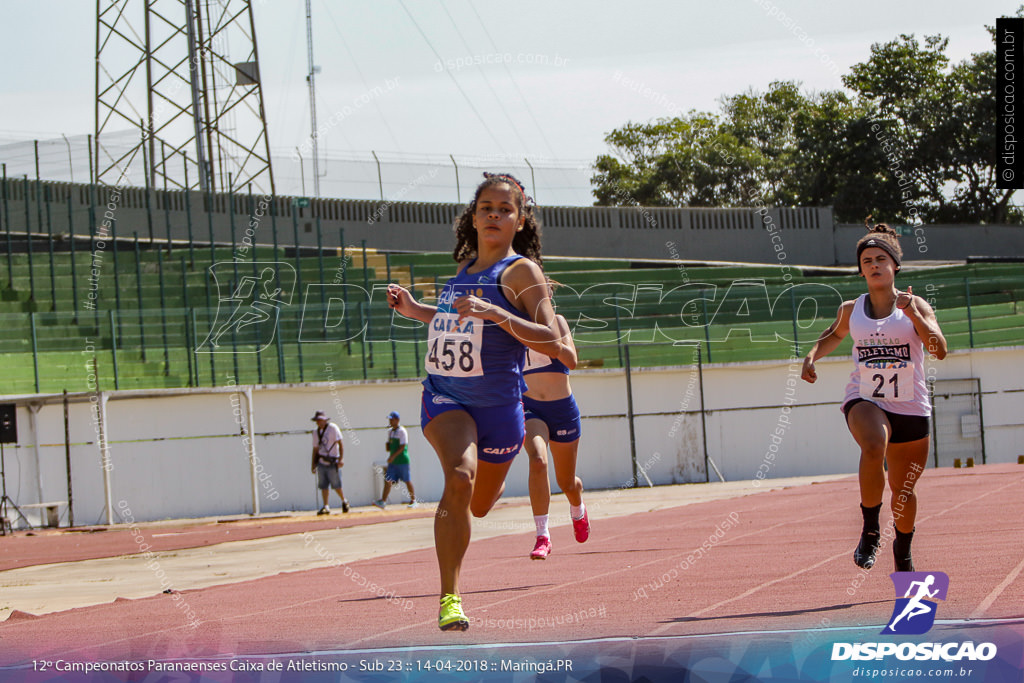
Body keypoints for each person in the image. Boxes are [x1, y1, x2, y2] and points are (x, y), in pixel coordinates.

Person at [387, 172, 561, 631]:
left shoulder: (521, 272)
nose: (494, 215)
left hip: (501, 410)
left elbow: (553, 341)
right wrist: (415, 311)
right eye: (486, 207)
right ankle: (450, 597)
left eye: (505, 209)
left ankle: (491, 484)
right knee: (460, 479)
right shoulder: (463, 269)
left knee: (480, 504)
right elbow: (453, 321)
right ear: (474, 215)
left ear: (520, 221)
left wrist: (498, 313)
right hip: (446, 395)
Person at [801, 221, 947, 572]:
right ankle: (870, 529)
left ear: (895, 265)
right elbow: (834, 335)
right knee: (873, 446)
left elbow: (938, 349)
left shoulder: (915, 306)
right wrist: (811, 356)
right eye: (867, 260)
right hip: (866, 398)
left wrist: (912, 312)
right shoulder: (852, 310)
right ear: (861, 269)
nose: (874, 265)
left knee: (903, 492)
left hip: (911, 405)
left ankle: (904, 548)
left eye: (881, 259)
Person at [521, 287, 589, 560]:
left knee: (566, 482)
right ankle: (542, 535)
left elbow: (572, 361)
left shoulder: (556, 322)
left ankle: (577, 506)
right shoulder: (513, 325)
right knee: (538, 461)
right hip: (529, 407)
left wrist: (546, 340)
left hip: (561, 409)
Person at [373, 411, 417, 508]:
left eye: (392, 419)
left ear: (397, 420)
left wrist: (392, 456)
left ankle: (413, 500)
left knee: (407, 480)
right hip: (393, 462)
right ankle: (383, 501)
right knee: (388, 480)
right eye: (390, 419)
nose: (390, 421)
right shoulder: (390, 432)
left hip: (402, 460)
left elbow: (402, 447)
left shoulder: (402, 431)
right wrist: (389, 446)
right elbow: (389, 446)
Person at [310, 410, 349, 514]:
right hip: (322, 461)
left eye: (320, 420)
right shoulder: (315, 432)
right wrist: (313, 464)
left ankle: (344, 500)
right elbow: (315, 449)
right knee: (323, 485)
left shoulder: (333, 428)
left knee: (336, 485)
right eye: (317, 420)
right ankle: (326, 506)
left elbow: (340, 443)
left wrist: (341, 459)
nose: (319, 422)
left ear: (325, 420)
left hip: (332, 461)